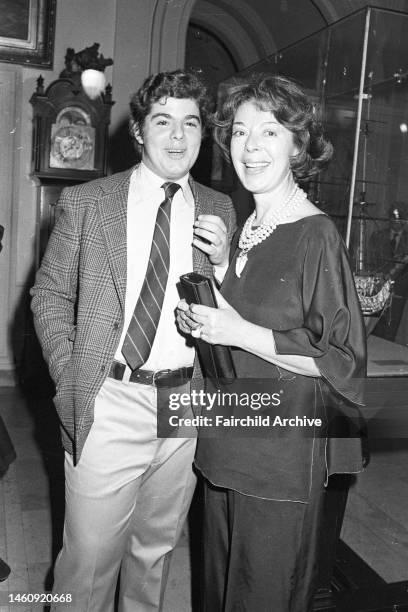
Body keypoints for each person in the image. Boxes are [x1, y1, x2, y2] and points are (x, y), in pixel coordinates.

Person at [31, 70, 236, 611]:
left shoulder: (220, 209)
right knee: (88, 561)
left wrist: (224, 268)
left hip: (185, 404)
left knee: (155, 554)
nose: (177, 136)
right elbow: (48, 294)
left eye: (190, 123)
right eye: (162, 121)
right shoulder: (88, 203)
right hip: (111, 397)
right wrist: (73, 374)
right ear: (139, 132)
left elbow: (233, 310)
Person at [177, 74, 367, 611]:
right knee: (216, 592)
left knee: (262, 595)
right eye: (239, 133)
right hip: (228, 437)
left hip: (280, 457)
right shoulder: (248, 229)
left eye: (269, 132)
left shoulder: (316, 234)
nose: (251, 147)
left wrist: (237, 331)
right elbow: (257, 316)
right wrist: (218, 275)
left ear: (298, 145)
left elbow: (342, 361)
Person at [367, 201, 408, 341]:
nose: (396, 221)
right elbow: (370, 260)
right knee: (375, 327)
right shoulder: (378, 236)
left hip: (400, 291)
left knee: (394, 325)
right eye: (393, 218)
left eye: (400, 218)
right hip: (378, 287)